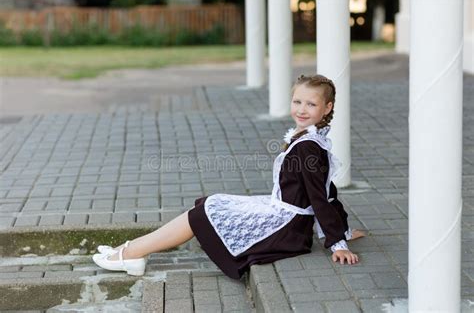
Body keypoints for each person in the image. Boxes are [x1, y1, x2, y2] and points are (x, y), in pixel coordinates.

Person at [92, 74, 366, 278]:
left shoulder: (309, 145)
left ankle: (131, 253)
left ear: (327, 108)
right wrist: (341, 228)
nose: (302, 109)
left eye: (311, 104)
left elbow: (321, 196)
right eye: (297, 101)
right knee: (208, 204)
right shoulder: (310, 138)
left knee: (202, 214)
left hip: (287, 226)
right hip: (282, 212)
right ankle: (132, 251)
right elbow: (327, 190)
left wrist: (337, 242)